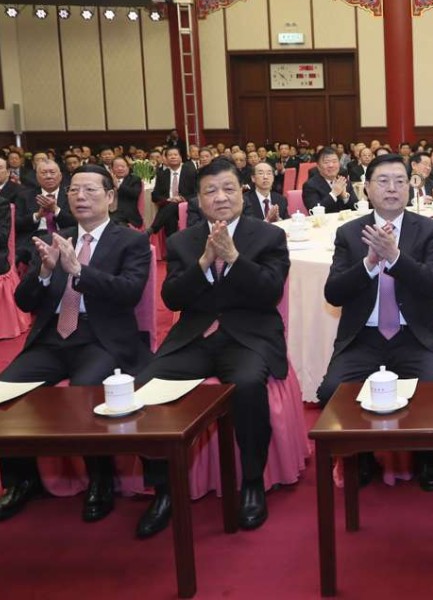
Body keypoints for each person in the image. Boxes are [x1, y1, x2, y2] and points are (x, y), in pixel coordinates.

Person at [133, 158, 290, 538]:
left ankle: (251, 482)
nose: (221, 197)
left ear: (242, 192)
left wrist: (234, 258)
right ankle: (164, 489)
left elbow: (270, 291)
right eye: (210, 191)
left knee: (249, 386)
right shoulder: (183, 240)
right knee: (145, 388)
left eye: (228, 189)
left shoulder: (268, 236)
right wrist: (204, 262)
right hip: (195, 336)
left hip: (248, 334)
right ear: (199, 200)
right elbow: (171, 299)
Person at [0, 165, 151, 523]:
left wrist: (79, 271)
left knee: (85, 391)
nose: (80, 197)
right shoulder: (57, 237)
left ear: (111, 198)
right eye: (74, 191)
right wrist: (47, 271)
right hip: (52, 340)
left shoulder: (129, 240)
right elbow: (24, 302)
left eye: (90, 190)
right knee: (5, 390)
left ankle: (100, 478)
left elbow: (129, 292)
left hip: (100, 338)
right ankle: (21, 480)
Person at [318, 154, 433, 490]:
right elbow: (333, 293)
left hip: (414, 336)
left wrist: (394, 257)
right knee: (331, 391)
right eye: (382, 181)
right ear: (366, 188)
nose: (392, 188)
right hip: (363, 338)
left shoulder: (428, 230)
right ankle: (360, 457)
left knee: (431, 387)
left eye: (399, 180)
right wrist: (368, 262)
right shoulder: (350, 233)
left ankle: (428, 460)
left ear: (410, 186)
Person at [15, 159, 74, 266]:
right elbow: (16, 223)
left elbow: (76, 222)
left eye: (52, 172)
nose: (48, 176)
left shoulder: (71, 195)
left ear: (60, 176)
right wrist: (37, 216)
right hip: (33, 239)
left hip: (63, 237)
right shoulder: (24, 195)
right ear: (37, 177)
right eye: (44, 173)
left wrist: (55, 210)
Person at [148, 146, 196, 238]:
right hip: (169, 206)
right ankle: (173, 246)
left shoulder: (190, 172)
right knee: (171, 215)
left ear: (180, 157)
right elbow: (155, 196)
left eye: (175, 155)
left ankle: (153, 229)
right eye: (170, 155)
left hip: (185, 205)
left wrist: (182, 198)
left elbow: (196, 193)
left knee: (172, 207)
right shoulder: (162, 175)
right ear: (165, 158)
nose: (173, 157)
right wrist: (168, 199)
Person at [302, 147, 357, 213]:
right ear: (318, 166)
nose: (331, 165)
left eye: (334, 161)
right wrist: (333, 194)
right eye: (326, 162)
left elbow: (356, 208)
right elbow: (314, 211)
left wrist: (345, 196)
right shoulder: (310, 185)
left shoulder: (344, 181)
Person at [109, 156, 143, 228]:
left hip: (127, 214)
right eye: (117, 167)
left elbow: (135, 194)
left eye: (123, 166)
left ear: (128, 167)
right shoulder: (107, 180)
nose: (120, 168)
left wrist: (119, 186)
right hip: (108, 212)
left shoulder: (135, 179)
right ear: (111, 169)